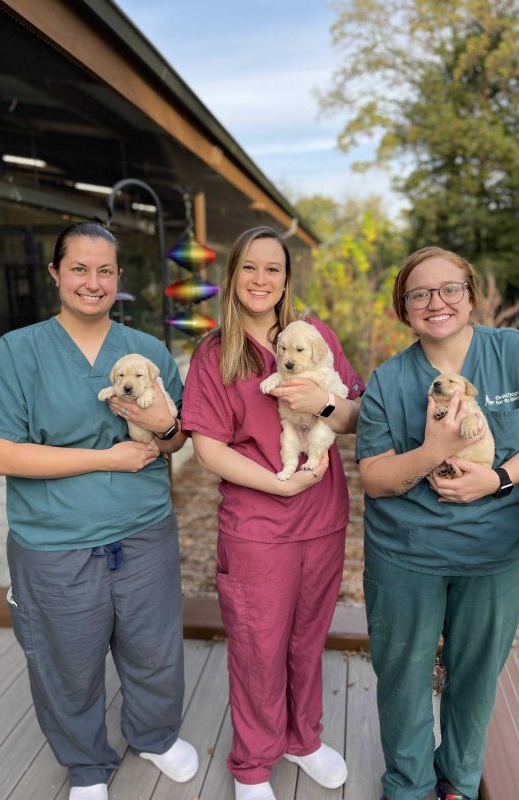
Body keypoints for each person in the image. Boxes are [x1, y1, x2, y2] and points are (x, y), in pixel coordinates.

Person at [0, 222, 199, 800]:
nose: (92, 282)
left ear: (119, 279)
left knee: (153, 650)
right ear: (55, 273)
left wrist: (165, 429)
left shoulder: (148, 352)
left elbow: (177, 441)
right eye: (79, 268)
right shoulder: (18, 352)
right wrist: (104, 459)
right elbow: (2, 455)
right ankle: (86, 766)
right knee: (66, 661)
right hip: (55, 541)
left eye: (105, 270)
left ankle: (153, 735)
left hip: (145, 532)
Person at [356, 246, 519, 800]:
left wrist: (498, 477)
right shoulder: (389, 379)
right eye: (419, 294)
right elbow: (376, 478)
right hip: (407, 554)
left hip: (494, 556)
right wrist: (433, 451)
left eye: (450, 289)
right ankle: (407, 786)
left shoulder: (515, 354)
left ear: (471, 296)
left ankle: (457, 781)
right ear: (404, 309)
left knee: (475, 679)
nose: (437, 303)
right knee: (404, 680)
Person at [180, 226, 364, 800]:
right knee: (259, 644)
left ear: (287, 279)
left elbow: (354, 414)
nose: (262, 280)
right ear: (233, 275)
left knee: (308, 638)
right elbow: (207, 447)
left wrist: (326, 403)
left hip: (323, 518)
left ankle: (302, 739)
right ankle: (253, 763)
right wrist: (277, 486)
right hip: (259, 524)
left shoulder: (315, 335)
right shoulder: (216, 354)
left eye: (274, 269)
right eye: (250, 268)